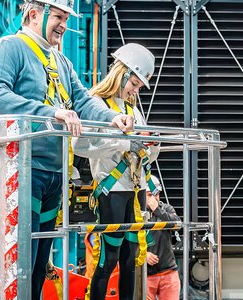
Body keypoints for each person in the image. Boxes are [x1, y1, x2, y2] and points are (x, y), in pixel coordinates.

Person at [0, 0, 134, 297]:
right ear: (35, 14)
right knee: (17, 264)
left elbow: (83, 99)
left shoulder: (61, 62)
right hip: (21, 171)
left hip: (53, 173)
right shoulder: (11, 47)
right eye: (59, 17)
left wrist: (112, 117)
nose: (64, 25)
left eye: (66, 18)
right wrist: (49, 113)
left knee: (39, 265)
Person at [71, 42, 159, 300]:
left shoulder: (134, 110)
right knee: (108, 258)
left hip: (136, 188)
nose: (135, 90)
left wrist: (151, 145)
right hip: (112, 189)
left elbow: (148, 154)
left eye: (139, 87)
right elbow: (80, 146)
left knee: (131, 259)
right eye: (134, 83)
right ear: (121, 73)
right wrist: (123, 142)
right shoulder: (97, 104)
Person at [144, 175, 181, 300]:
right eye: (149, 195)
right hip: (145, 275)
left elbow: (177, 225)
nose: (153, 198)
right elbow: (125, 240)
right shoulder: (135, 213)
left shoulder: (166, 209)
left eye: (156, 194)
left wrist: (157, 210)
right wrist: (143, 254)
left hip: (168, 271)